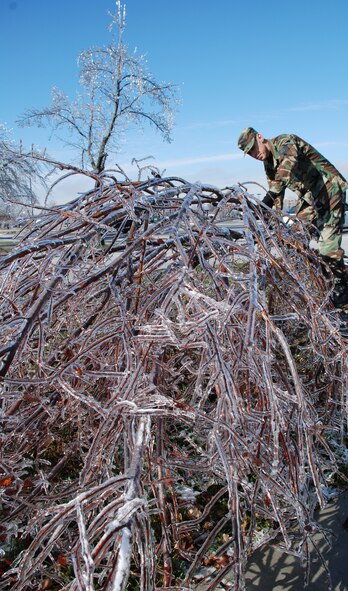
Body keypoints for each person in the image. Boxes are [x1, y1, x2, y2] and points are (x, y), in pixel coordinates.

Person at [237, 127, 348, 308]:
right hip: (310, 199)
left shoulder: (285, 142)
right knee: (294, 239)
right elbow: (277, 198)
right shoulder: (269, 164)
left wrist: (267, 199)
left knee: (328, 247)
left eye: (253, 148)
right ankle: (321, 279)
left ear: (260, 137)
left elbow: (286, 169)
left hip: (329, 191)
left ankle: (344, 290)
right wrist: (271, 221)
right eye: (249, 153)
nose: (254, 154)